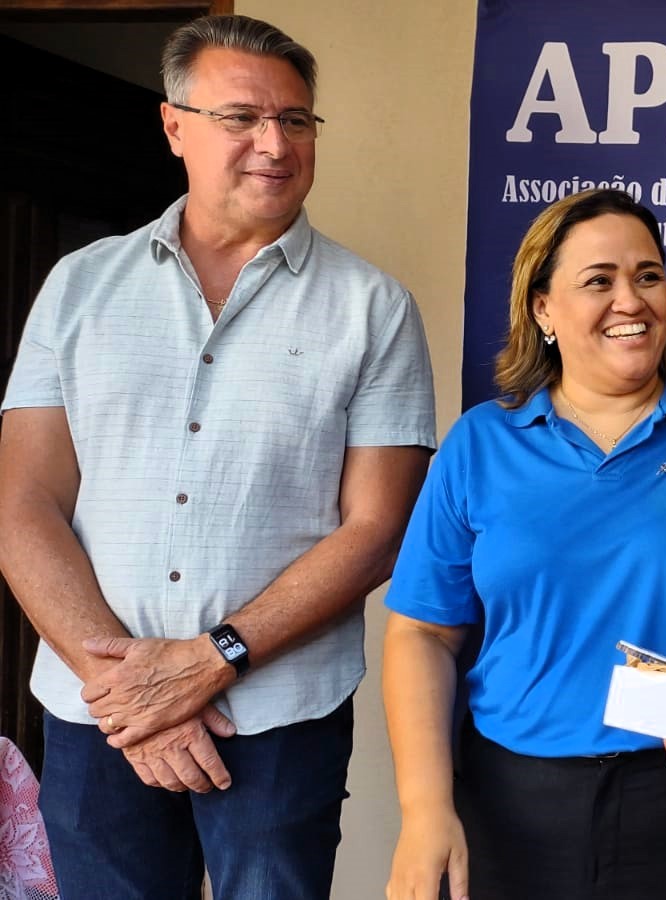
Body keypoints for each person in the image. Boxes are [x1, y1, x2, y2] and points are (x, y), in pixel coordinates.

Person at [0, 14, 436, 900]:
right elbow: (25, 504)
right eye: (241, 117)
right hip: (98, 718)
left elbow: (377, 530)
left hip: (277, 718)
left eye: (297, 121)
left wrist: (207, 661)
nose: (273, 144)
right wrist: (128, 692)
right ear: (174, 127)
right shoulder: (79, 286)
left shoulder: (372, 309)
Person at [381, 187, 666, 900]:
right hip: (515, 804)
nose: (631, 300)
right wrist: (423, 810)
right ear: (542, 309)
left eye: (647, 275)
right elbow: (420, 636)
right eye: (599, 280)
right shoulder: (480, 444)